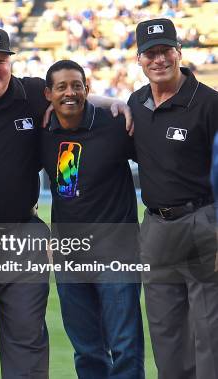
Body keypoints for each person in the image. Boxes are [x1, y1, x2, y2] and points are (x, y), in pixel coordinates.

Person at [0, 26, 132, 379]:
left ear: (10, 63)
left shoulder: (32, 92)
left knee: (27, 341)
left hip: (23, 232)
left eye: (1, 61)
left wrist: (118, 104)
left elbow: (74, 97)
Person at [40, 60, 144, 378]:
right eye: (61, 87)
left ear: (88, 89)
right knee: (86, 351)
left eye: (77, 85)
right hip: (71, 257)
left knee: (125, 346)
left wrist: (118, 104)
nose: (70, 92)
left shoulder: (115, 126)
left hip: (118, 255)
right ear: (48, 94)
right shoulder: (43, 134)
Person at [128, 18, 218, 379]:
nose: (159, 59)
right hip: (156, 226)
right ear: (139, 59)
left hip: (203, 221)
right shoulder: (136, 101)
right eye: (151, 53)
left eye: (165, 50)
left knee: (209, 330)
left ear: (179, 52)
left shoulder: (209, 102)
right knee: (164, 330)